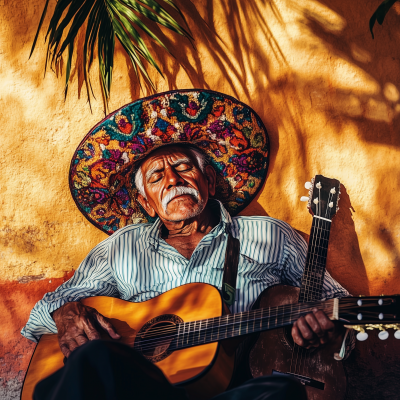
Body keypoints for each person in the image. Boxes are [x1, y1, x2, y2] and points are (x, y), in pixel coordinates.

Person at [22, 90, 352, 400]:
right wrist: (65, 314)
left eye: (182, 167)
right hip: (140, 392)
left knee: (281, 391)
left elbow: (340, 304)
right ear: (147, 204)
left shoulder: (269, 236)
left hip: (229, 387)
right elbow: (38, 320)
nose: (173, 180)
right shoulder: (121, 247)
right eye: (156, 177)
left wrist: (329, 328)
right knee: (94, 355)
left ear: (208, 181)